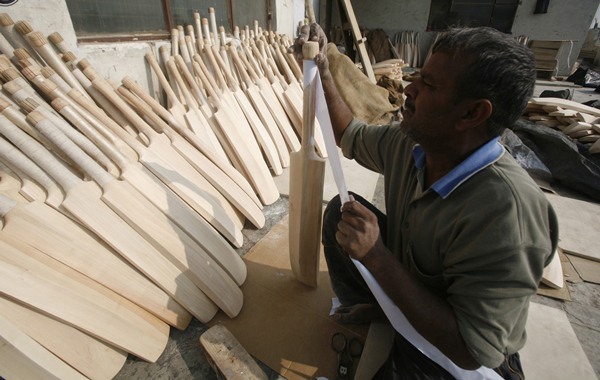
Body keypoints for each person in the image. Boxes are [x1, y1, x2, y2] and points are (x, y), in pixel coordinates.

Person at [289, 24, 558, 379]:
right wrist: (323, 70)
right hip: (418, 290)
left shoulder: (508, 214)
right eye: (418, 77)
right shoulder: (416, 144)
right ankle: (385, 310)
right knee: (343, 212)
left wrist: (376, 257)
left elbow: (470, 350)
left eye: (429, 85)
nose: (409, 90)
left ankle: (399, 321)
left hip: (463, 354)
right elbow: (348, 133)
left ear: (472, 113)